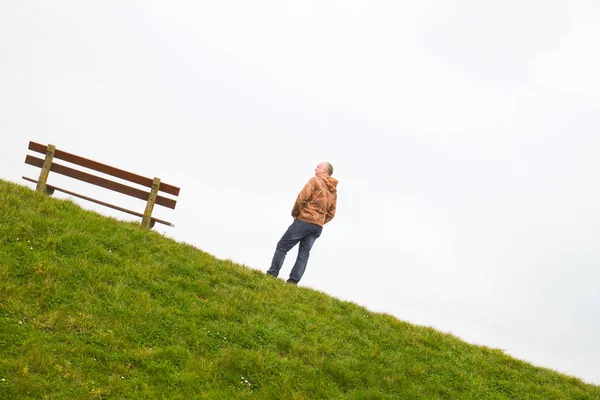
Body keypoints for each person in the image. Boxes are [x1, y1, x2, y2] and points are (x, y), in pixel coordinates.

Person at [267, 161, 338, 284]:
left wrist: (296, 214)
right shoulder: (333, 191)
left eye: (318, 167)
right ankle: (293, 282)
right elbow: (332, 213)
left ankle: (272, 273)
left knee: (282, 246)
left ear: (325, 171)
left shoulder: (314, 181)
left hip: (304, 220)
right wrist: (319, 221)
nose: (315, 169)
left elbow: (302, 198)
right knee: (304, 254)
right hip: (317, 227)